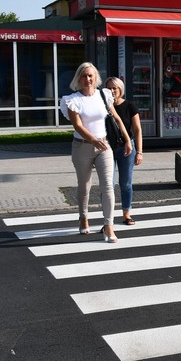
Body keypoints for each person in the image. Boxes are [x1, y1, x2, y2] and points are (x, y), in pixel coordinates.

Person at [59, 62, 131, 243]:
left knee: (108, 186)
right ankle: (83, 217)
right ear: (78, 78)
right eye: (84, 76)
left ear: (95, 77)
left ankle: (109, 225)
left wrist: (127, 140)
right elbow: (77, 125)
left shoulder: (103, 95)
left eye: (90, 75)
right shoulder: (72, 100)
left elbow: (116, 118)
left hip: (104, 146)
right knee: (84, 186)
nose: (88, 79)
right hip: (82, 146)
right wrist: (92, 139)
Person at [105, 77, 143, 225]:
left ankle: (126, 213)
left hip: (127, 148)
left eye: (115, 88)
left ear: (121, 89)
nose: (112, 91)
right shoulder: (103, 106)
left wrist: (139, 152)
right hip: (107, 148)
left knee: (126, 183)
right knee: (109, 184)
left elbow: (137, 130)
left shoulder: (129, 106)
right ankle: (108, 218)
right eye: (109, 88)